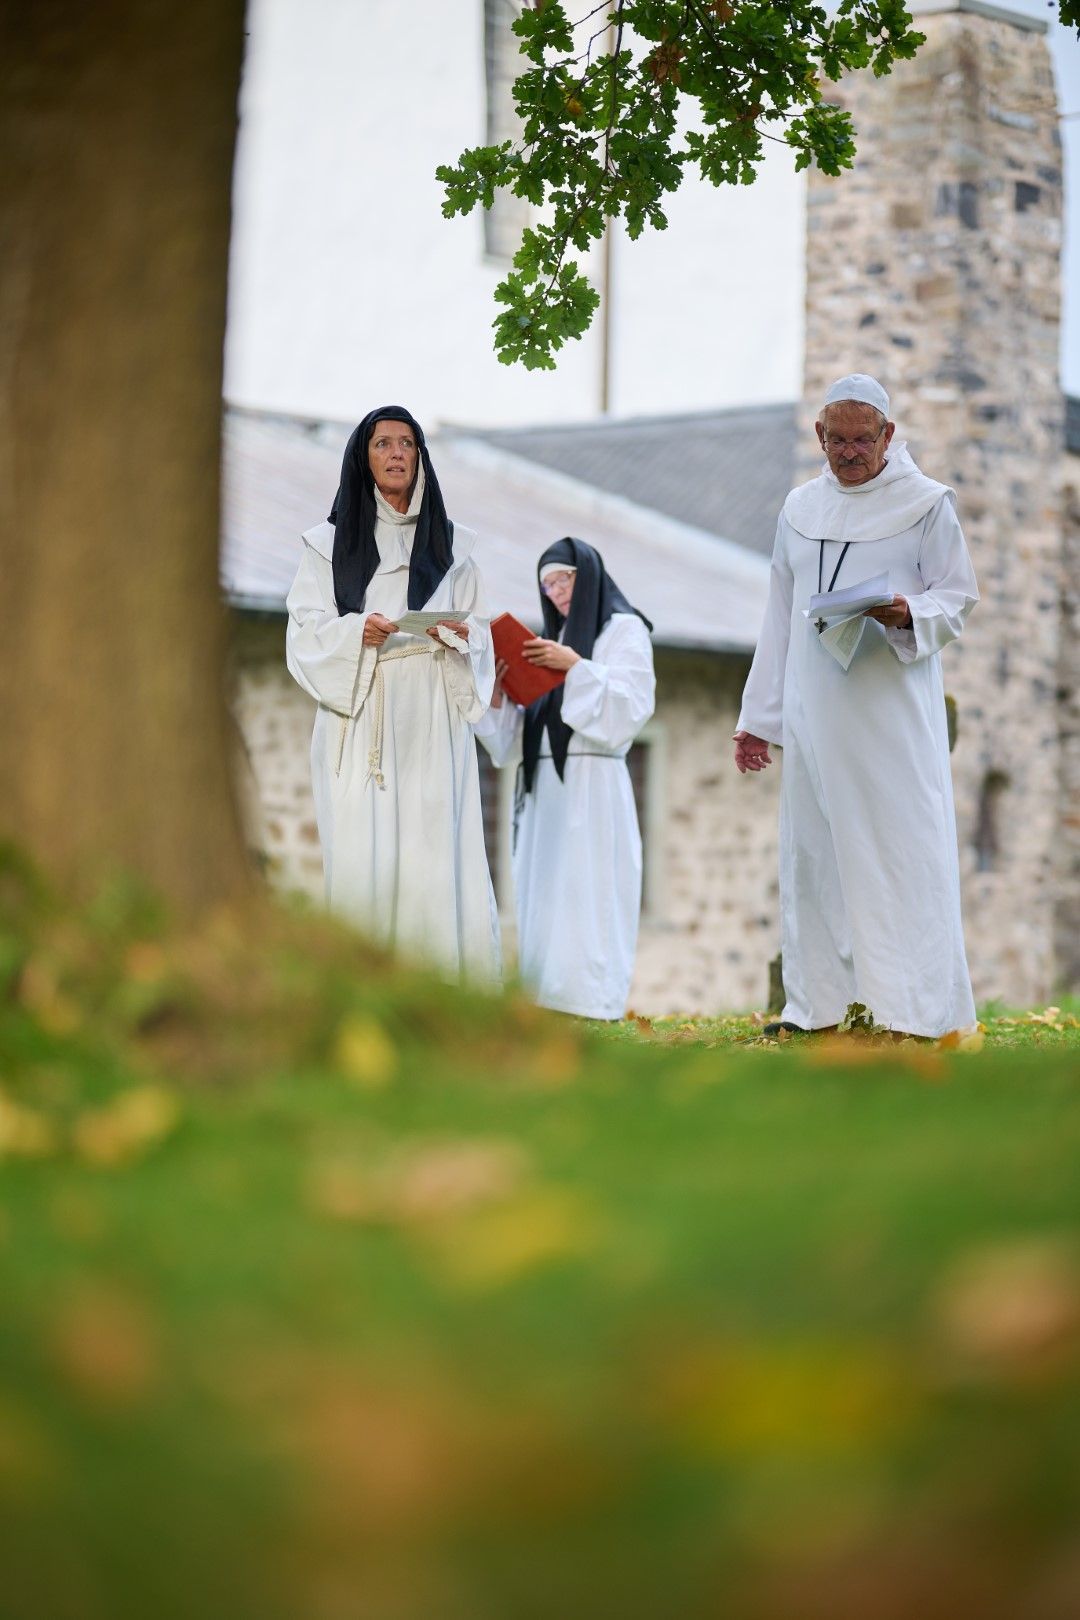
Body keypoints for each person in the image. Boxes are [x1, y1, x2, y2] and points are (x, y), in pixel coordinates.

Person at [733, 374, 979, 1038]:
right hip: (813, 714)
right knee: (814, 856)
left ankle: (908, 1013)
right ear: (819, 436)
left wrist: (908, 611)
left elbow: (957, 597)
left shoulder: (926, 505)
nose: (848, 453)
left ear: (888, 435)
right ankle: (816, 1011)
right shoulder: (798, 509)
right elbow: (779, 617)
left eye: (862, 440)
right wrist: (757, 720)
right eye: (836, 440)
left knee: (898, 852)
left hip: (889, 711)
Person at [285, 404, 500, 983]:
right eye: (383, 444)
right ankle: (367, 986)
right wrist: (358, 631)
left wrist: (464, 637)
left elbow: (482, 630)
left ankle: (445, 987)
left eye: (407, 443)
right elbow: (303, 632)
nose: (397, 453)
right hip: (363, 715)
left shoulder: (454, 549)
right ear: (364, 458)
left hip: (432, 713)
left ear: (420, 456)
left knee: (434, 851)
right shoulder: (326, 547)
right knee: (364, 854)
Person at [475, 538, 655, 1019]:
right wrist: (498, 695)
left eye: (563, 580)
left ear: (588, 575)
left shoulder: (624, 630)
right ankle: (546, 997)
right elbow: (515, 743)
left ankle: (592, 1001)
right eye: (547, 586)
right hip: (545, 794)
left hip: (593, 787)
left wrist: (574, 667)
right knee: (545, 895)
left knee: (588, 894)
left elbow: (632, 708)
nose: (555, 593)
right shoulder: (546, 643)